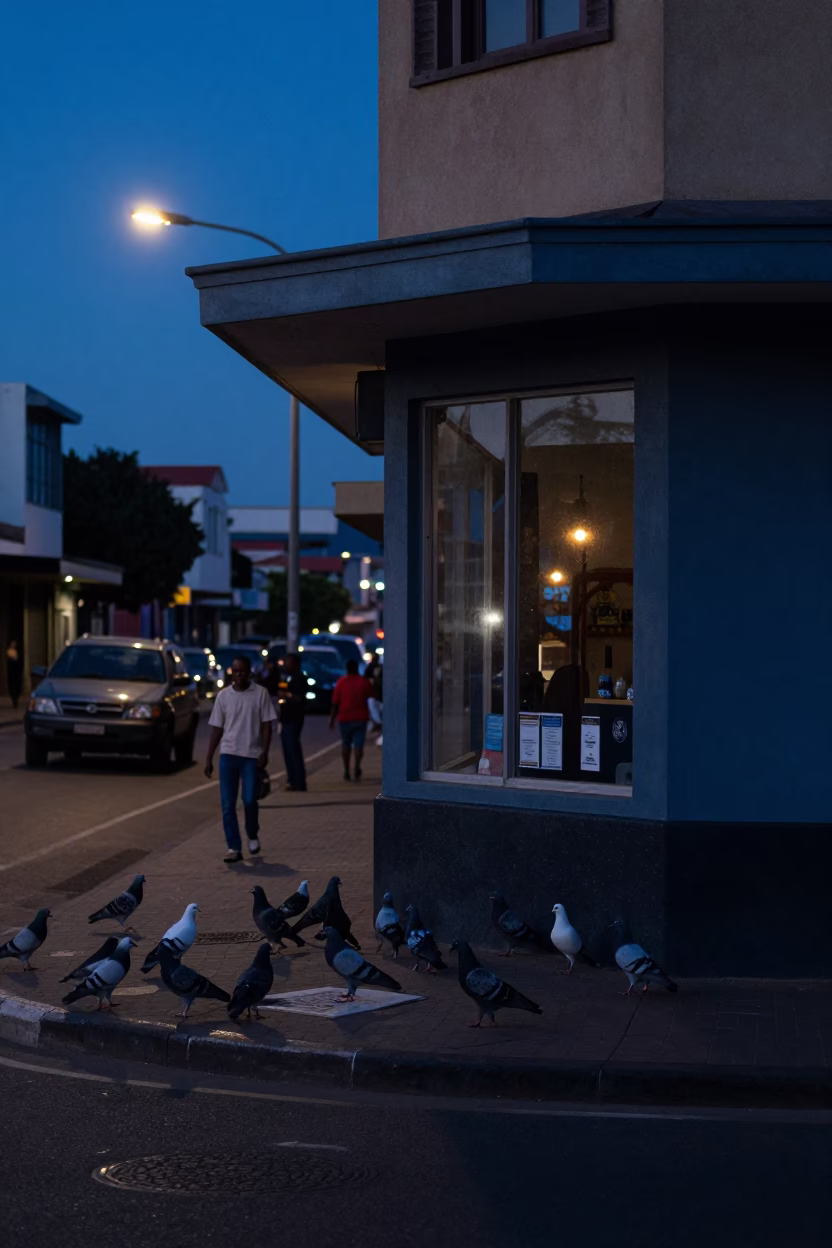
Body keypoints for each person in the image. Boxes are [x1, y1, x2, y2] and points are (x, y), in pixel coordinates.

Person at [204, 654, 276, 863]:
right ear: (231, 672)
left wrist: (265, 752)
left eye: (243, 671)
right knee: (228, 804)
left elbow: (267, 726)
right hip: (228, 754)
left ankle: (252, 833)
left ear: (249, 672)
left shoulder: (260, 694)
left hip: (251, 756)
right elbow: (217, 729)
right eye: (235, 671)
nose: (239, 675)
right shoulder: (223, 696)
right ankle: (233, 847)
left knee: (250, 800)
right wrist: (209, 757)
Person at [329, 658, 374, 782]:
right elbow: (372, 696)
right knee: (359, 745)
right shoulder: (363, 682)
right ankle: (357, 766)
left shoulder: (341, 682)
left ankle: (346, 770)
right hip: (360, 717)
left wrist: (332, 719)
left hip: (345, 717)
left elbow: (335, 702)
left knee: (346, 744)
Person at [276, 653, 307, 792]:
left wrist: (287, 695)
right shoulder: (287, 677)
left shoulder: (299, 678)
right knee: (288, 751)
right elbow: (281, 689)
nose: (286, 665)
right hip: (285, 718)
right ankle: (292, 780)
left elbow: (299, 698)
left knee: (293, 750)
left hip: (294, 718)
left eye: (288, 662)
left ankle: (298, 781)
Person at [6, 640, 23, 709]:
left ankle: (16, 698)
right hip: (12, 673)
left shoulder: (18, 652)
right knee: (12, 686)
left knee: (18, 686)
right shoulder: (9, 652)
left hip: (17, 673)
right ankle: (14, 700)